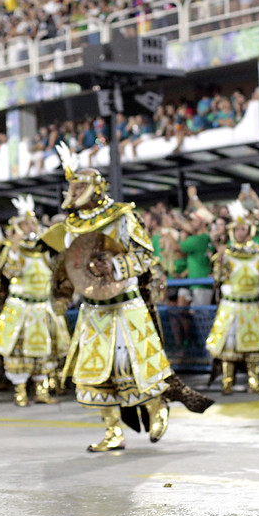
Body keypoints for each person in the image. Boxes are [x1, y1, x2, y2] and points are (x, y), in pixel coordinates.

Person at [46, 143, 212, 452]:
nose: (74, 190)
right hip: (94, 310)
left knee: (137, 365)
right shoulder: (68, 226)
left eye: (80, 185)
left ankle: (156, 407)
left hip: (126, 305)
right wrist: (61, 291)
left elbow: (145, 254)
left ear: (96, 189)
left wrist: (114, 265)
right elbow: (66, 265)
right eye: (72, 185)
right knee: (96, 373)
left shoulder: (121, 216)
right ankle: (113, 431)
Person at [0, 195, 70, 406]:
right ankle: (20, 391)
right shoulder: (13, 250)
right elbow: (9, 272)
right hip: (21, 307)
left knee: (44, 351)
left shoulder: (44, 248)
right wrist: (15, 248)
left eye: (31, 223)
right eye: (24, 224)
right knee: (19, 351)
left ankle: (42, 390)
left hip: (42, 306)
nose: (28, 227)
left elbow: (57, 270)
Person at [206, 201, 259, 395]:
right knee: (229, 346)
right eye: (239, 229)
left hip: (251, 304)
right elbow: (217, 277)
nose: (242, 232)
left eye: (245, 228)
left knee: (253, 347)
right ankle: (227, 382)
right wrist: (218, 261)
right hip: (231, 304)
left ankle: (254, 382)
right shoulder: (225, 253)